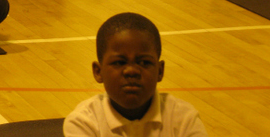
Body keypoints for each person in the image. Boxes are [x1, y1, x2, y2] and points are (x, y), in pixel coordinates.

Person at [64, 12, 208, 137]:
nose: (131, 71)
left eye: (144, 62)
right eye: (119, 63)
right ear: (98, 71)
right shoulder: (83, 123)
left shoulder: (184, 119)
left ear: (160, 71)